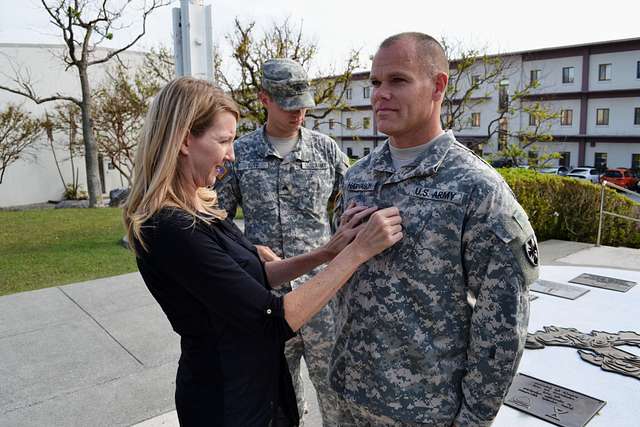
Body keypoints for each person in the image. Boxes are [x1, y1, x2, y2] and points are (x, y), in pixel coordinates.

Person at [122, 77, 403, 427]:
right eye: (224, 140)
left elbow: (256, 274)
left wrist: (327, 252)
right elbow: (271, 319)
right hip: (228, 400)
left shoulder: (200, 209)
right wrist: (358, 252)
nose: (232, 153)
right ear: (183, 140)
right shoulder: (170, 228)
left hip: (258, 386)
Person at [329, 32, 539, 426]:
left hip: (423, 410)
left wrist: (474, 418)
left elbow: (503, 323)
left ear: (438, 85)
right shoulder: (357, 176)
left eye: (398, 80)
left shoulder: (477, 188)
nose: (380, 94)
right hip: (347, 396)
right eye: (375, 82)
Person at [215, 58, 349, 424]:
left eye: (303, 103)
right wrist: (247, 251)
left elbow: (348, 215)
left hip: (322, 295)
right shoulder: (238, 154)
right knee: (278, 396)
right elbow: (217, 219)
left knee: (335, 389)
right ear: (264, 99)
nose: (298, 112)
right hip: (267, 298)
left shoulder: (327, 152)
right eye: (288, 104)